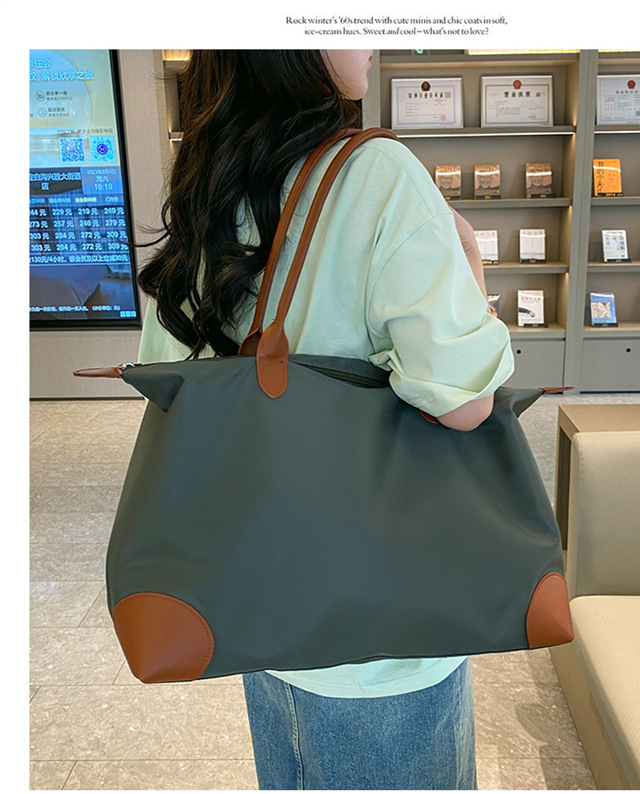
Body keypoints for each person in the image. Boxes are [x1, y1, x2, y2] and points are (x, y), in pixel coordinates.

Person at [136, 49, 514, 791]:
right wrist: (470, 264)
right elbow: (463, 401)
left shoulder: (210, 175)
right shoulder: (378, 172)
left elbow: (166, 376)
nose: (371, 36)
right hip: (384, 633)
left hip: (264, 600)